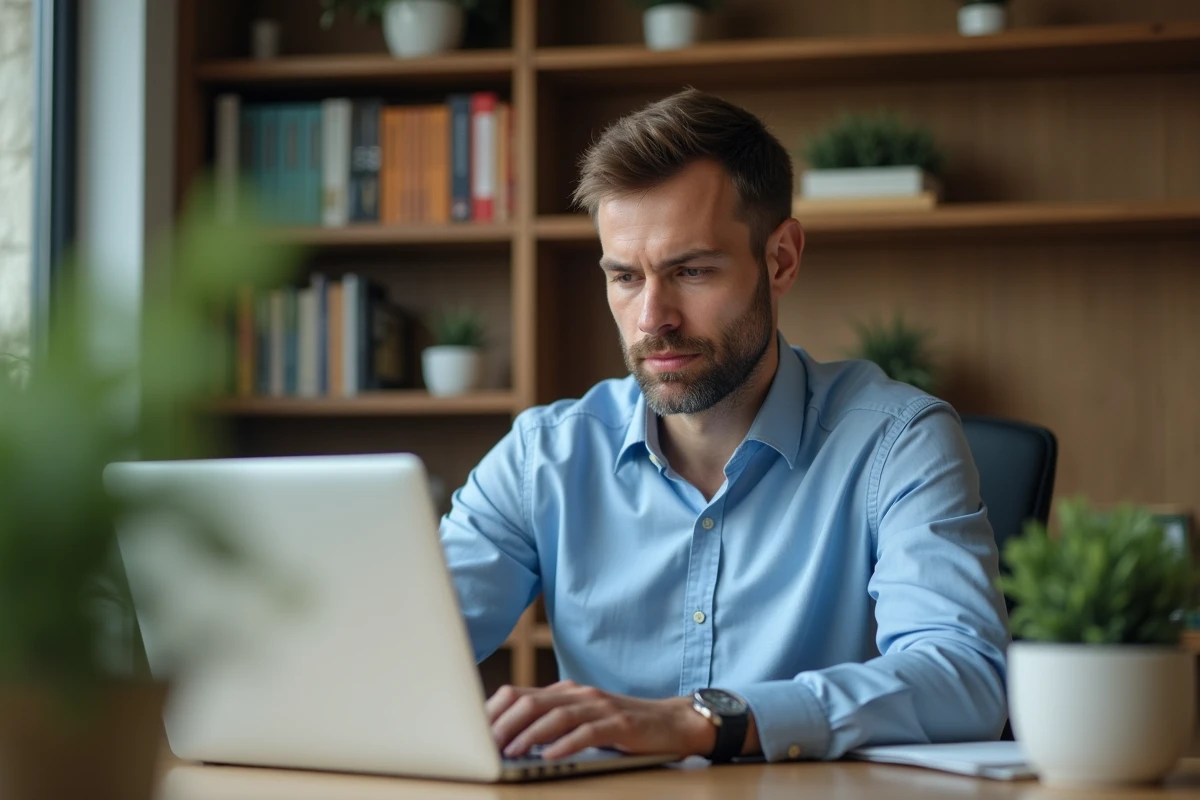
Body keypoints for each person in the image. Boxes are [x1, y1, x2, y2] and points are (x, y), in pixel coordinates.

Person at [438, 88, 1009, 765]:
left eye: (691, 271)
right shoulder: (543, 457)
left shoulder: (897, 442)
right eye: (625, 277)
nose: (652, 318)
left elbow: (964, 677)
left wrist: (701, 721)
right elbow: (396, 648)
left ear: (781, 259)